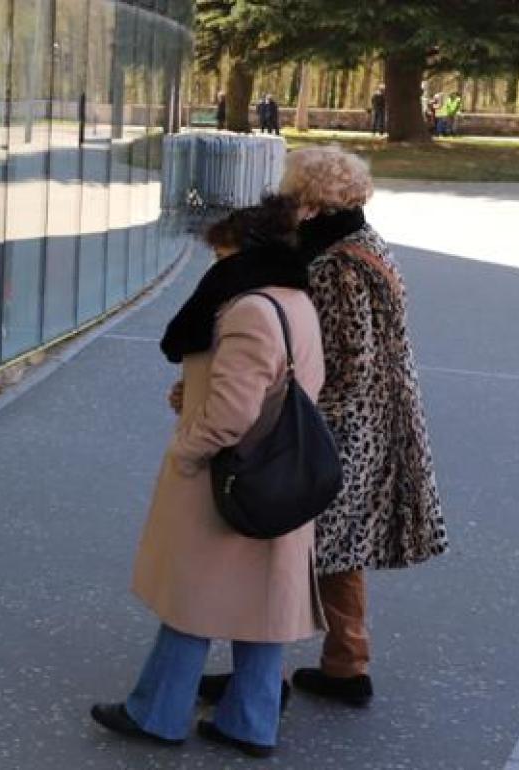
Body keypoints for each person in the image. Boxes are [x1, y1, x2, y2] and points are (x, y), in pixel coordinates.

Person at [202, 147, 449, 710]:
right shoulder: (367, 245)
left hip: (342, 423)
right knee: (339, 548)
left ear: (312, 200)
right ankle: (346, 663)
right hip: (375, 418)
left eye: (294, 192)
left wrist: (276, 408)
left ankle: (266, 679)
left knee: (289, 543)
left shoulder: (338, 264)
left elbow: (342, 357)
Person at [91, 196, 325, 759]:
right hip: (277, 471)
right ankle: (249, 721)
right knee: (260, 607)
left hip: (231, 474)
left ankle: (157, 712)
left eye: (221, 254)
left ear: (244, 252)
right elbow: (282, 384)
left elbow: (234, 412)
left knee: (193, 598)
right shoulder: (296, 300)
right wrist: (195, 390)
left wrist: (187, 451)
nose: (214, 267)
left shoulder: (248, 308)